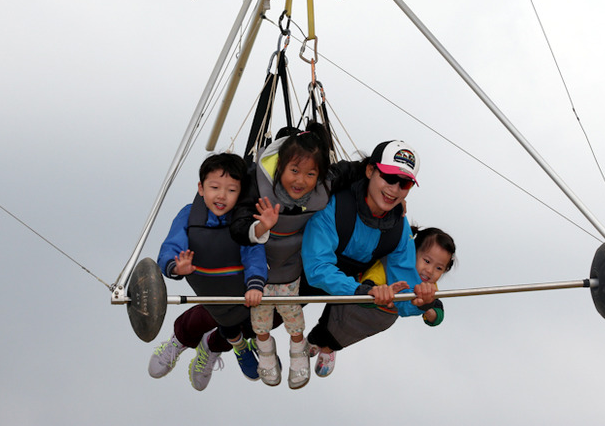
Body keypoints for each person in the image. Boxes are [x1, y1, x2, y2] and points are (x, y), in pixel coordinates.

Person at [301, 139, 438, 377]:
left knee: (384, 312)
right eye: (388, 177)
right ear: (370, 170)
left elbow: (405, 293)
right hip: (301, 277)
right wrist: (362, 291)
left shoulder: (399, 229)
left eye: (404, 183)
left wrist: (422, 302)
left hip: (350, 287)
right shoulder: (335, 203)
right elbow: (317, 268)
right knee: (252, 321)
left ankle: (326, 341)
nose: (394, 189)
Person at [148, 153, 266, 391]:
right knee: (212, 312)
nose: (222, 196)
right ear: (201, 188)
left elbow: (254, 253)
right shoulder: (191, 214)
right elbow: (171, 245)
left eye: (231, 190)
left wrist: (255, 283)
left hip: (238, 290)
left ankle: (217, 346)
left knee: (252, 319)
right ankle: (180, 341)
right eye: (214, 187)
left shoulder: (242, 219)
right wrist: (175, 266)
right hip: (205, 284)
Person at [229, 123, 332, 389]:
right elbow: (239, 226)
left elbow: (354, 171)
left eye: (310, 174)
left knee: (292, 314)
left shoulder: (323, 186)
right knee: (259, 319)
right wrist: (262, 225)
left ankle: (298, 352)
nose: (300, 180)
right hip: (259, 271)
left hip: (290, 270)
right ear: (279, 168)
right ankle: (265, 353)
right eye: (294, 171)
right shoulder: (257, 184)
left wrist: (392, 194)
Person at [306, 226, 455, 375]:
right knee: (328, 324)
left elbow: (437, 313)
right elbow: (368, 284)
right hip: (353, 306)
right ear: (412, 252)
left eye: (439, 268)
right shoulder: (389, 264)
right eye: (427, 261)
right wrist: (378, 290)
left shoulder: (429, 288)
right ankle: (313, 339)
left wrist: (428, 309)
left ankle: (329, 349)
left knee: (346, 337)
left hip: (377, 320)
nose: (430, 271)